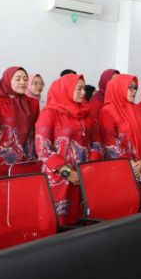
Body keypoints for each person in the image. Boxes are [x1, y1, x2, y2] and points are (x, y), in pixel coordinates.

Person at [35, 74, 102, 225]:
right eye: (79, 88)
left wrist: (89, 167)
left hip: (84, 175)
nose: (83, 92)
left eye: (84, 88)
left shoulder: (86, 113)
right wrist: (68, 172)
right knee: (58, 223)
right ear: (66, 89)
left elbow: (96, 142)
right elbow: (43, 149)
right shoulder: (49, 114)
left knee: (82, 220)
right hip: (59, 178)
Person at [98, 74, 141, 199]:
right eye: (130, 87)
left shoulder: (138, 109)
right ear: (119, 88)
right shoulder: (107, 111)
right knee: (124, 202)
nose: (134, 91)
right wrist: (131, 164)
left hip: (140, 166)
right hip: (120, 168)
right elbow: (110, 145)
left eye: (135, 88)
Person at [0, 67, 40, 178]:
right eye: (18, 79)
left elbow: (36, 131)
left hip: (29, 161)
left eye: (25, 79)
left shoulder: (33, 103)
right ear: (8, 80)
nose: (22, 82)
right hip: (2, 162)